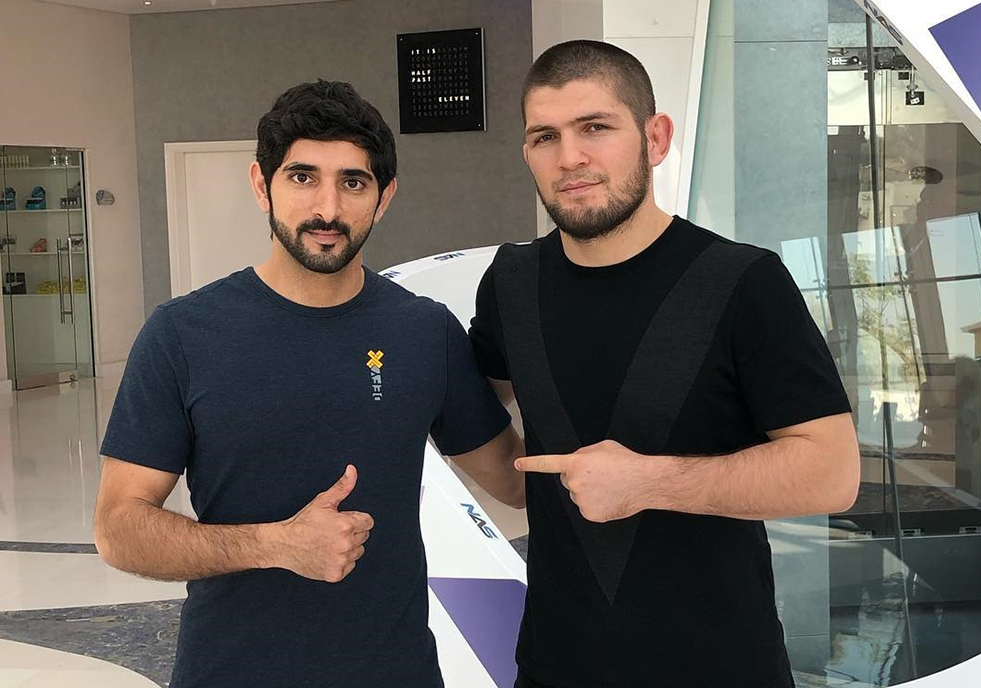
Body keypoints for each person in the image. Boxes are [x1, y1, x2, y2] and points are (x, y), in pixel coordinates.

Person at [93, 79, 524, 688]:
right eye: (302, 177)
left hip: (394, 672)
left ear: (385, 196)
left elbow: (514, 477)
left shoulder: (424, 332)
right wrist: (275, 544)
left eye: (354, 182)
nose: (328, 208)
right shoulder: (183, 335)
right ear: (260, 184)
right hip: (232, 672)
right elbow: (119, 529)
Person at [468, 40, 861, 687]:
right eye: (545, 137)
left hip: (720, 667)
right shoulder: (512, 282)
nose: (571, 157)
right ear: (528, 154)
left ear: (656, 137)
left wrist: (649, 483)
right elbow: (473, 396)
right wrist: (513, 481)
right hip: (556, 666)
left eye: (595, 127)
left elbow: (831, 471)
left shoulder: (743, 281)